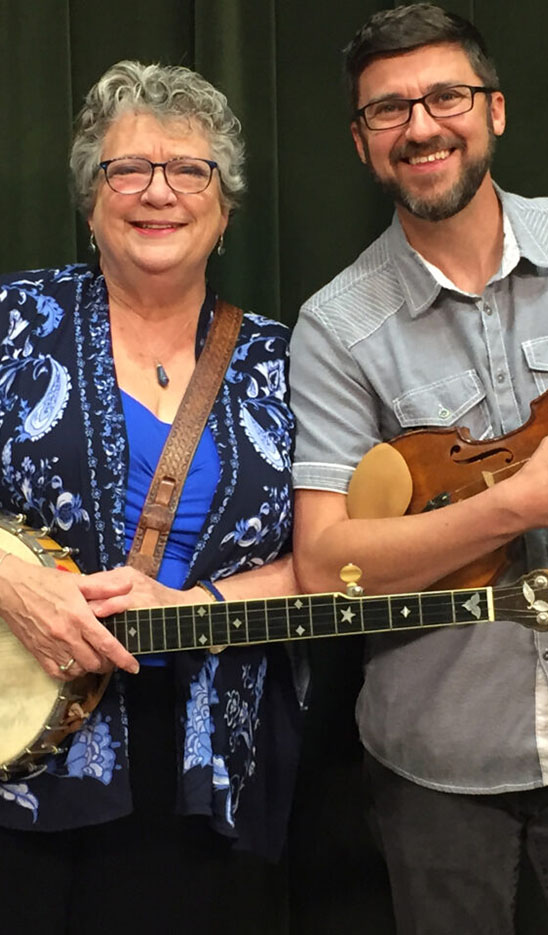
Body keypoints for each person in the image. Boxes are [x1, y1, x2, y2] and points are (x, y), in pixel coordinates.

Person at [290, 5, 548, 934]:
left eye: (444, 97)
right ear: (361, 142)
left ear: (495, 111)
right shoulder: (337, 328)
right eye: (388, 110)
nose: (420, 125)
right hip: (438, 760)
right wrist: (518, 503)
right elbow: (326, 564)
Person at [0, 60, 301, 934]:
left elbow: (327, 560)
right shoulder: (13, 319)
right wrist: (13, 581)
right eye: (126, 168)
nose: (156, 191)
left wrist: (193, 602)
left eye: (188, 169)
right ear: (91, 197)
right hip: (15, 738)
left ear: (225, 202)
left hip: (209, 760)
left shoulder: (285, 361)